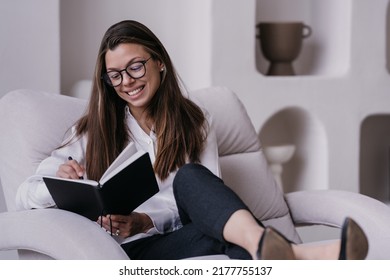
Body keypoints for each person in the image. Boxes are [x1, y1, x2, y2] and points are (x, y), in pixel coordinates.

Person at [16, 20, 369, 260]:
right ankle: (307, 256)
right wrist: (58, 178)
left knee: (210, 205)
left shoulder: (195, 123)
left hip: (178, 237)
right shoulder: (92, 131)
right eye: (115, 75)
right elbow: (23, 196)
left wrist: (144, 219)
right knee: (242, 238)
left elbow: (202, 202)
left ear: (160, 64)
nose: (127, 81)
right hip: (125, 251)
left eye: (136, 66)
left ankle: (278, 253)